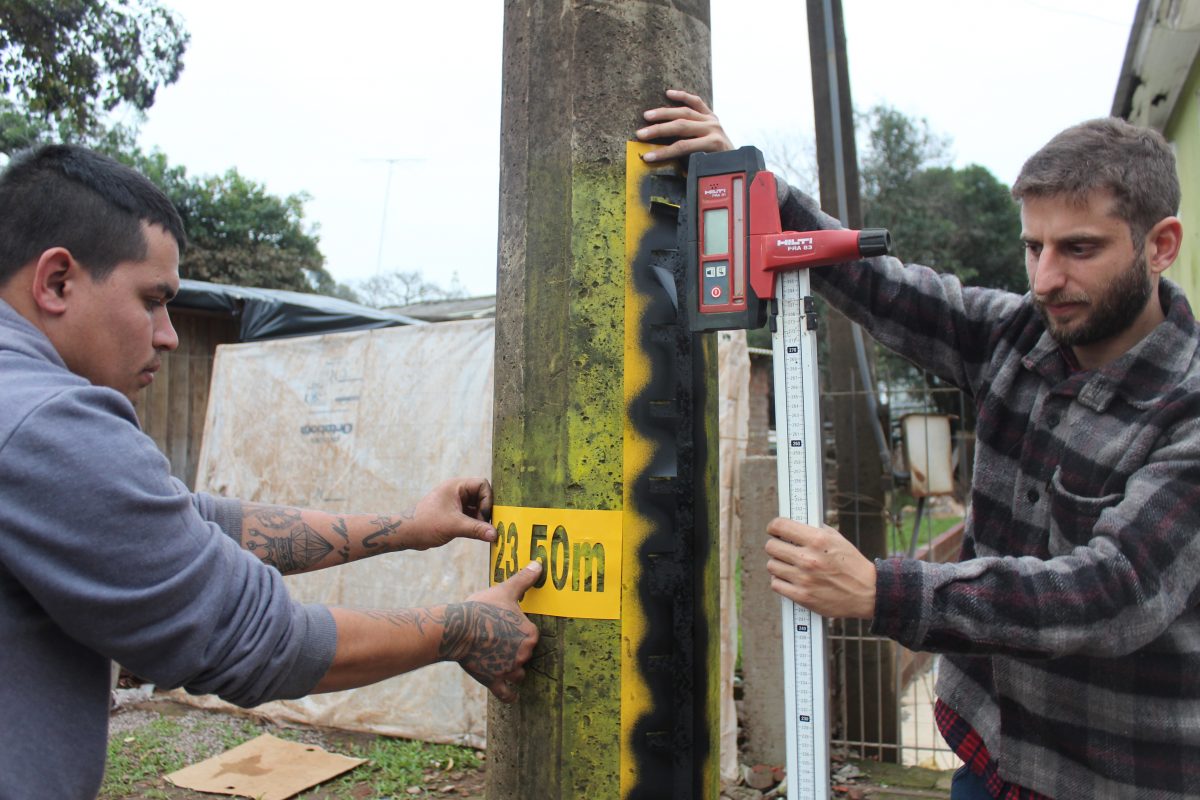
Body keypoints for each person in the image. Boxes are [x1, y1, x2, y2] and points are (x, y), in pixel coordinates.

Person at [639, 91, 1200, 798]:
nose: (1046, 279)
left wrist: (881, 590)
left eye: (1079, 249)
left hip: (1113, 775)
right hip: (991, 751)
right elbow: (886, 287)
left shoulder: (1188, 412)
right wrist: (756, 190)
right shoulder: (1019, 335)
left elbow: (1110, 592)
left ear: (1162, 244)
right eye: (1034, 247)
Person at [0, 144, 541, 800]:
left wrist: (408, 526)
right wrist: (464, 626)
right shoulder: (46, 418)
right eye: (152, 300)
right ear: (57, 281)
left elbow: (196, 525)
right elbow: (254, 638)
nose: (169, 334)